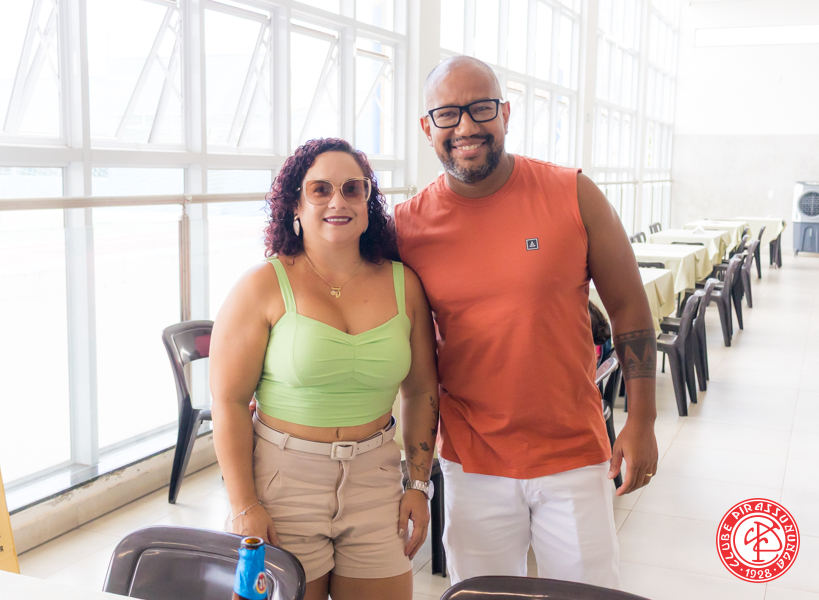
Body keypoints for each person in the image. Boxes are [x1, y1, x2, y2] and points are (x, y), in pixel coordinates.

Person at [394, 56, 659, 588]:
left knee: (587, 598)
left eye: (481, 108)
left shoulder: (571, 193)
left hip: (573, 454)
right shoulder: (407, 227)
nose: (466, 127)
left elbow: (630, 308)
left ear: (506, 114)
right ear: (427, 127)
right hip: (472, 462)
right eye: (447, 114)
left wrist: (643, 420)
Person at [210, 138, 439, 600]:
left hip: (376, 481)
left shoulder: (405, 284)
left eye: (353, 189)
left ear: (368, 202)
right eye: (320, 189)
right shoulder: (262, 285)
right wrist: (244, 504)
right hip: (282, 484)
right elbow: (228, 401)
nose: (338, 201)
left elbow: (421, 391)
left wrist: (418, 483)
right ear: (295, 204)